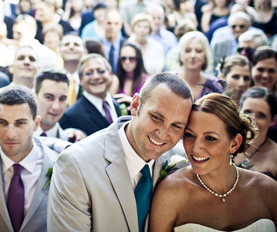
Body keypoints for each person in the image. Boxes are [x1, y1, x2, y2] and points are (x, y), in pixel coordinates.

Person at [48, 73, 193, 231]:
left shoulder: (182, 159)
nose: (163, 133)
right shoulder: (75, 164)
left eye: (176, 126)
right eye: (156, 118)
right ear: (135, 105)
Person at [150, 93, 277, 232]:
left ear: (234, 143)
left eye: (210, 138)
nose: (195, 148)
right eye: (189, 135)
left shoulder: (268, 190)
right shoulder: (170, 192)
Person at [0, 85, 59, 231]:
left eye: (20, 123)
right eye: (2, 123)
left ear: (36, 124)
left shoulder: (59, 166)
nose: (10, 134)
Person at [236, 87, 277, 220]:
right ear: (238, 112)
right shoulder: (226, 148)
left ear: (273, 120)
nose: (252, 119)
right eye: (247, 111)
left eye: (261, 115)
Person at [59, 54, 121, 136]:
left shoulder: (122, 104)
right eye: (89, 73)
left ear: (110, 74)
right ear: (81, 79)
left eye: (101, 71)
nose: (96, 77)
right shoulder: (71, 115)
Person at [251, 47, 277, 146]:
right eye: (260, 69)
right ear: (252, 68)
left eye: (271, 71)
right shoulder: (242, 94)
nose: (265, 75)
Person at [176, 31, 223, 101]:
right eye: (188, 51)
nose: (193, 55)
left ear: (205, 56)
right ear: (180, 55)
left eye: (198, 51)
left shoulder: (215, 86)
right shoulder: (167, 83)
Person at [111, 41, 148, 107]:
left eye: (131, 58)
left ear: (138, 59)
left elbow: (148, 107)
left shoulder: (146, 81)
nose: (127, 62)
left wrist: (132, 102)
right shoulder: (115, 80)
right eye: (123, 58)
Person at [101, 8, 126, 73]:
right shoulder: (97, 45)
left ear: (120, 25)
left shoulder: (126, 45)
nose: (112, 27)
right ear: (103, 23)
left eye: (116, 23)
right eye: (109, 23)